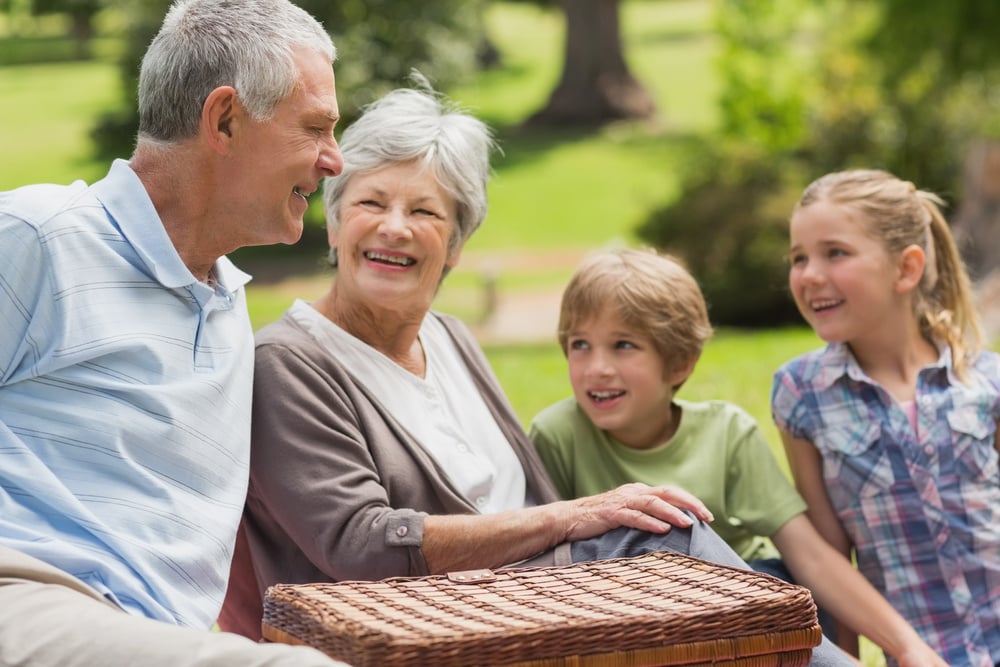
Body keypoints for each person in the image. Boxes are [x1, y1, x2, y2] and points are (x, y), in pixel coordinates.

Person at [218, 82, 858, 667]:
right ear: (334, 223)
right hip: (446, 633)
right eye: (371, 202)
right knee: (676, 547)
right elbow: (360, 545)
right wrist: (573, 520)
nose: (395, 227)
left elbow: (517, 491)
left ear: (458, 245)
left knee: (759, 577)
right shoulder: (291, 363)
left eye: (426, 212)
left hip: (549, 613)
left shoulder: (450, 337)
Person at [0, 0, 349, 665]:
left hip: (156, 635)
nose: (334, 160)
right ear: (224, 120)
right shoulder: (38, 238)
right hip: (26, 594)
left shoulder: (227, 307)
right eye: (315, 128)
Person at [529, 247, 947, 667]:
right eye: (580, 344)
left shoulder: (726, 433)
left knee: (792, 586)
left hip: (739, 613)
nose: (596, 367)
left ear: (678, 364)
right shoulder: (558, 434)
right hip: (629, 620)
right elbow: (548, 565)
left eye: (623, 345)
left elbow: (810, 555)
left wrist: (906, 646)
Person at [771, 169, 1000, 667]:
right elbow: (831, 559)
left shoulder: (987, 381)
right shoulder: (802, 395)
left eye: (835, 252)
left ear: (906, 269)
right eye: (798, 258)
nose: (809, 275)